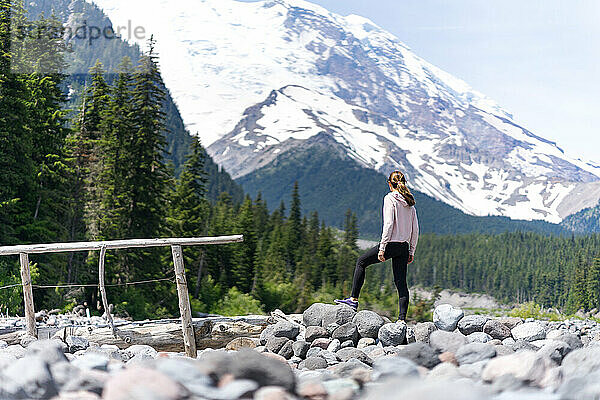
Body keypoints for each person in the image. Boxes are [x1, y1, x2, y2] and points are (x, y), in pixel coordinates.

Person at [335, 170, 419, 321]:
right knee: (401, 283)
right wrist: (411, 250)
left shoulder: (390, 199)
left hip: (391, 244)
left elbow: (388, 224)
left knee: (361, 261)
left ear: (389, 183)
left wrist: (382, 248)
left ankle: (353, 301)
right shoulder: (410, 203)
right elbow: (415, 230)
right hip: (404, 247)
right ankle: (401, 320)